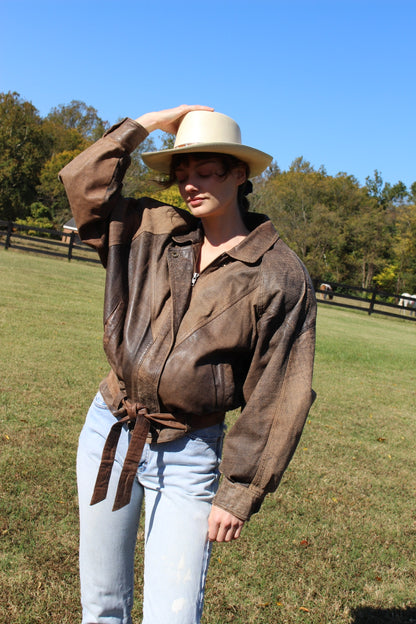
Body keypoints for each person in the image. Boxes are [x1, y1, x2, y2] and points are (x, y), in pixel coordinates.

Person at [59, 104, 316, 624]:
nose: (189, 185)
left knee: (172, 616)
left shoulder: (279, 274)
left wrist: (239, 491)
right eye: (181, 173)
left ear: (240, 174)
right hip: (110, 425)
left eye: (205, 172)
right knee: (101, 603)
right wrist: (149, 122)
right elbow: (84, 183)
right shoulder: (152, 229)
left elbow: (279, 392)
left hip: (189, 453)